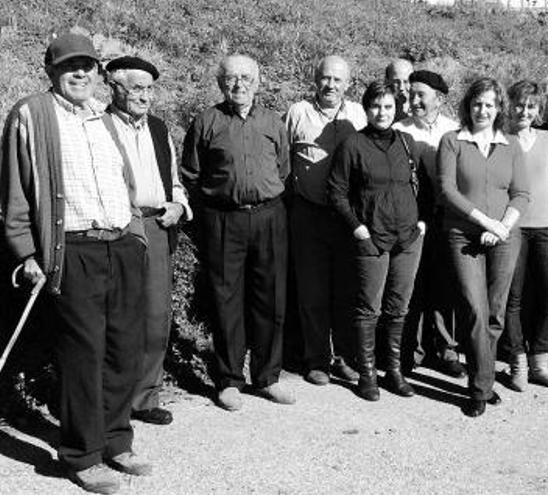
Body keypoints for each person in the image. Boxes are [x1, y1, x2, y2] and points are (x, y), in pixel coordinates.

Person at [1, 33, 152, 493]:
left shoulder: (102, 118)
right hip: (74, 250)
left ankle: (115, 438)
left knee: (125, 349)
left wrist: (137, 236)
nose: (81, 73)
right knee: (83, 354)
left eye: (87, 65)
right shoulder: (32, 113)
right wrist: (26, 252)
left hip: (121, 245)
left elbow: (123, 183)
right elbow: (15, 193)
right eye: (70, 66)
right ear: (51, 72)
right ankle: (82, 455)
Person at [181, 55, 293, 411]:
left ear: (258, 83)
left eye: (246, 78)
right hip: (223, 219)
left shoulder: (273, 122)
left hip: (268, 217)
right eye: (231, 78)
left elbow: (284, 170)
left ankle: (267, 377)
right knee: (226, 299)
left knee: (270, 297)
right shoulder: (206, 122)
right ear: (220, 83)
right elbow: (192, 175)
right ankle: (229, 380)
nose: (239, 84)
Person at [105, 56, 192, 426]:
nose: (145, 96)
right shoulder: (99, 126)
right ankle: (113, 401)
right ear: (114, 88)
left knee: (157, 315)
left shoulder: (158, 128)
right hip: (120, 226)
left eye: (149, 89)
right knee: (119, 316)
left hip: (157, 226)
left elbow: (172, 178)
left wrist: (179, 204)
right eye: (136, 88)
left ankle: (146, 397)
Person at [328, 81, 428, 401]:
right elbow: (336, 191)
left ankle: (394, 371)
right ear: (366, 108)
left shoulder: (406, 141)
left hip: (408, 238)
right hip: (372, 237)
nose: (382, 112)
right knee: (368, 308)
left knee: (398, 308)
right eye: (375, 106)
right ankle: (367, 374)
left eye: (387, 106)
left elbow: (421, 183)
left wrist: (422, 222)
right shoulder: (353, 145)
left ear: (396, 108)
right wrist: (357, 228)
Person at [438, 77, 529, 417]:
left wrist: (502, 226)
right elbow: (448, 190)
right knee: (474, 311)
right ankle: (479, 389)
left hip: (504, 237)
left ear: (499, 108)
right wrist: (486, 223)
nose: (483, 110)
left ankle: (482, 380)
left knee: (495, 313)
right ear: (468, 106)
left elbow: (522, 193)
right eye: (477, 103)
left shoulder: (511, 145)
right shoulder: (453, 142)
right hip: (463, 235)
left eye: (490, 104)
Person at [286, 55, 366, 385]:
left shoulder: (359, 114)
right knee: (312, 289)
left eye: (337, 80)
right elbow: (283, 159)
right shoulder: (297, 113)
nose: (330, 85)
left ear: (348, 84)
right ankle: (316, 358)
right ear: (314, 79)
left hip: (347, 217)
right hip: (309, 213)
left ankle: (345, 357)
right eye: (325, 78)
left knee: (346, 289)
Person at [393, 70, 464, 377]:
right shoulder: (399, 129)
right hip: (413, 218)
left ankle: (446, 349)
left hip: (447, 217)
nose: (415, 100)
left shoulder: (454, 130)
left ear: (439, 98)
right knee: (414, 284)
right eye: (412, 94)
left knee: (445, 284)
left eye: (422, 94)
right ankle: (412, 349)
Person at [503, 80, 548, 391]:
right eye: (519, 104)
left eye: (531, 106)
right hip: (512, 227)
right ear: (510, 105)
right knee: (511, 299)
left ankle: (540, 362)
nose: (524, 111)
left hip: (545, 227)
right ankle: (517, 362)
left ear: (539, 109)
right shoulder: (500, 139)